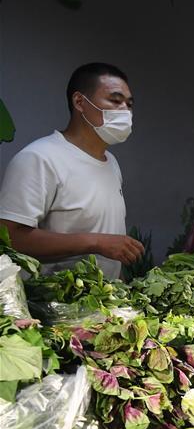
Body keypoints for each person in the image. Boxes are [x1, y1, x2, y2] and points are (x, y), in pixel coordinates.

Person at [0, 63, 143, 279]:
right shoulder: (39, 158)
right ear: (79, 102)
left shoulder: (111, 162)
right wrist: (96, 242)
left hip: (104, 297)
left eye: (129, 104)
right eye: (115, 100)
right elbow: (9, 237)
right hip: (53, 297)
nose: (125, 110)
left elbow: (110, 240)